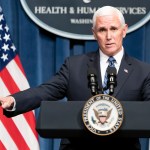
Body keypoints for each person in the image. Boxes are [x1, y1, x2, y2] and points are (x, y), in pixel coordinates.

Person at [0, 5, 149, 150]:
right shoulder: (74, 65)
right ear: (94, 33)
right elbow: (46, 90)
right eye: (102, 30)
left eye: (114, 29)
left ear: (124, 30)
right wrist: (14, 100)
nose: (109, 36)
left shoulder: (143, 71)